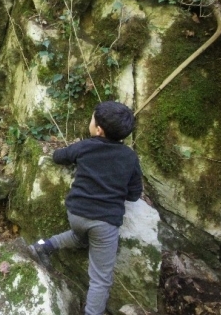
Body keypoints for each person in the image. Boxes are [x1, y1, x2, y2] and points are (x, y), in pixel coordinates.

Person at [27, 101, 143, 315]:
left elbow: (58, 156)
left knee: (81, 237)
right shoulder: (130, 157)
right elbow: (135, 193)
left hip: (77, 213)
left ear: (98, 129)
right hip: (104, 223)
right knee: (101, 278)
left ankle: (43, 246)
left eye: (92, 119)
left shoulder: (85, 147)